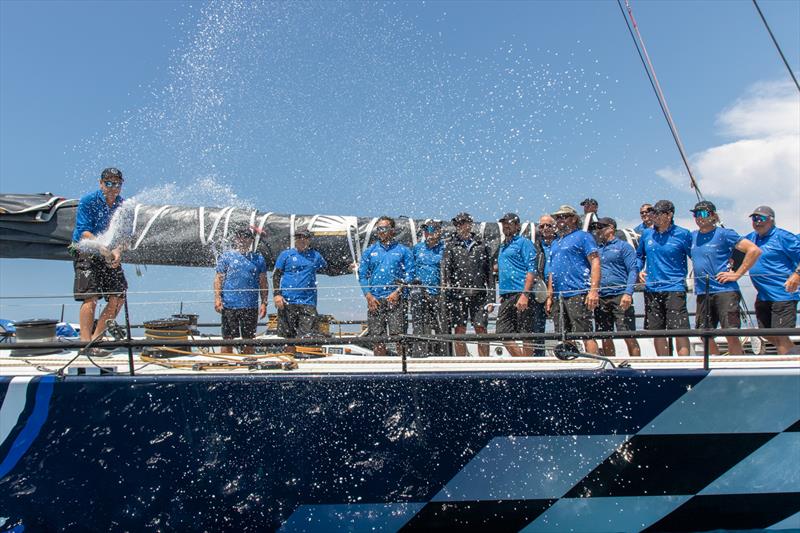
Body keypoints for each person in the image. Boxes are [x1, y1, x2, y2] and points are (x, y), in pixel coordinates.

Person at [690, 200, 761, 355]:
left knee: (731, 333)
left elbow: (754, 250)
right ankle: (714, 363)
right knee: (704, 334)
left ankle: (737, 366)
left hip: (726, 291)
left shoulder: (725, 233)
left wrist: (737, 274)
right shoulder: (692, 236)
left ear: (713, 215)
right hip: (703, 292)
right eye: (696, 214)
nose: (699, 217)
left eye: (703, 213)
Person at [71, 167, 128, 356]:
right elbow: (83, 231)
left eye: (117, 183)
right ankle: (85, 344)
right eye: (109, 183)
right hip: (87, 249)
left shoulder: (123, 205)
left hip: (109, 252)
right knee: (91, 297)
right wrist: (101, 246)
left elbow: (125, 235)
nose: (113, 187)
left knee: (118, 297)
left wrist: (118, 250)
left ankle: (97, 340)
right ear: (101, 183)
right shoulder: (88, 201)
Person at [636, 200, 692, 356]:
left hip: (674, 288)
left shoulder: (683, 234)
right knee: (657, 331)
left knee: (680, 330)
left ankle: (683, 366)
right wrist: (639, 270)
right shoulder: (647, 233)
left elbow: (696, 255)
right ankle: (663, 363)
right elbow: (640, 256)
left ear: (669, 215)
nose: (654, 216)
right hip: (652, 289)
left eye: (658, 213)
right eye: (653, 213)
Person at [546, 205, 600, 355]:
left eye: (563, 217)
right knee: (563, 334)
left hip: (578, 291)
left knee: (585, 333)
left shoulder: (583, 236)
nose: (559, 220)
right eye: (557, 218)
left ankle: (595, 366)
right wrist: (549, 296)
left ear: (574, 218)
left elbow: (595, 261)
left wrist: (594, 290)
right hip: (559, 295)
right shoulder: (555, 242)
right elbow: (551, 270)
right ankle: (570, 363)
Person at [745, 206, 800, 354]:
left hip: (783, 294)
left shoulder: (784, 237)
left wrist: (797, 274)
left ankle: (786, 373)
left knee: (781, 336)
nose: (757, 222)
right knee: (765, 333)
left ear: (771, 220)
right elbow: (733, 245)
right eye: (754, 218)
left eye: (761, 218)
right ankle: (795, 352)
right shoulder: (751, 238)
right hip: (763, 296)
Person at [358, 216, 414, 356]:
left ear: (392, 230)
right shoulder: (369, 251)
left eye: (384, 228)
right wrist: (368, 295)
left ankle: (404, 369)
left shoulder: (403, 250)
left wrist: (398, 292)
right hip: (375, 300)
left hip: (395, 299)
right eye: (379, 229)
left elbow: (410, 275)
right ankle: (380, 369)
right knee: (378, 337)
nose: (381, 231)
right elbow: (363, 275)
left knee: (399, 336)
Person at [442, 212, 495, 357]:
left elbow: (489, 274)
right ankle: (461, 362)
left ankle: (484, 362)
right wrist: (447, 296)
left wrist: (491, 299)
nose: (460, 226)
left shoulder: (482, 245)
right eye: (457, 223)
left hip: (479, 294)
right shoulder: (451, 246)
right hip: (458, 295)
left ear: (470, 224)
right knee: (459, 329)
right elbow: (446, 272)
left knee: (481, 329)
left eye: (463, 222)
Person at [273, 228, 328, 354]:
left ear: (309, 239)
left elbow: (329, 269)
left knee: (308, 337)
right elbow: (276, 275)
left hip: (308, 303)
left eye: (305, 237)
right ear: (295, 239)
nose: (301, 239)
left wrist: (348, 266)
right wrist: (277, 295)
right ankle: (289, 362)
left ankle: (306, 365)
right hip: (287, 301)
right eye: (298, 237)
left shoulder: (316, 256)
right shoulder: (286, 254)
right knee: (289, 338)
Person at [214, 228, 269, 354]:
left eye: (246, 237)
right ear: (235, 239)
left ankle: (248, 366)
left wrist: (264, 303)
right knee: (228, 339)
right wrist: (217, 298)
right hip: (229, 305)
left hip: (250, 305)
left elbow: (263, 282)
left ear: (251, 240)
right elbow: (218, 279)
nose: (243, 239)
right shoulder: (226, 256)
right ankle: (226, 366)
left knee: (249, 340)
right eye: (239, 236)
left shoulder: (258, 258)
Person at [593, 217, 640, 356]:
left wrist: (628, 293)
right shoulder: (596, 249)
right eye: (596, 227)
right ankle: (610, 366)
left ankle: (636, 365)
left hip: (620, 294)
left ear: (611, 228)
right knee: (604, 336)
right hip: (601, 296)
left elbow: (633, 270)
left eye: (600, 227)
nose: (597, 230)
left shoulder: (624, 246)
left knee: (627, 334)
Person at [496, 212, 538, 357]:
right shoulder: (502, 246)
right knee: (502, 332)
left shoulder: (524, 243)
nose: (506, 226)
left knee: (525, 332)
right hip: (507, 295)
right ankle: (521, 361)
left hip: (521, 293)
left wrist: (525, 294)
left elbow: (531, 270)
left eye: (509, 223)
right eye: (504, 223)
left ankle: (527, 365)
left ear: (517, 226)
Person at [410, 219, 445, 356]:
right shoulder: (417, 248)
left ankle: (441, 357)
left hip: (439, 294)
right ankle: (420, 356)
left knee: (440, 328)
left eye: (431, 230)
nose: (427, 233)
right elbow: (409, 269)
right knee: (420, 327)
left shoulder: (445, 249)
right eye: (425, 230)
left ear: (438, 231)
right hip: (420, 294)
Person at [532, 215, 557, 356]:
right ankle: (538, 356)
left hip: (559, 288)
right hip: (540, 289)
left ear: (554, 227)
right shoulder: (536, 246)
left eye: (548, 225)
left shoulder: (561, 243)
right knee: (537, 326)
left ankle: (565, 355)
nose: (545, 228)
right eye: (542, 226)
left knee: (561, 324)